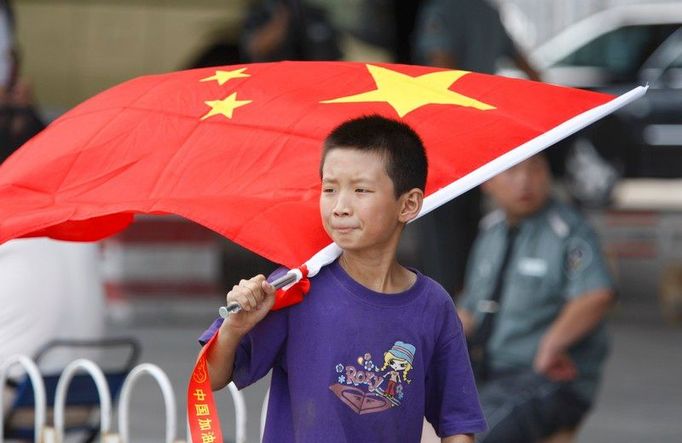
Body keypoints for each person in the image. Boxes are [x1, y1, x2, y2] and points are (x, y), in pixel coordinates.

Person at [199, 115, 486, 442]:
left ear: (408, 204)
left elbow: (457, 423)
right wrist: (234, 328)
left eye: (360, 190)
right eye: (330, 189)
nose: (340, 207)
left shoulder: (433, 306)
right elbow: (209, 377)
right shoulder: (295, 287)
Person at [458, 154, 616, 442]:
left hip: (546, 377)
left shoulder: (568, 231)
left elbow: (596, 294)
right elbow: (470, 308)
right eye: (512, 170)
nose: (525, 181)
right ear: (488, 181)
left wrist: (552, 343)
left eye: (536, 168)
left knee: (473, 435)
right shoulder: (490, 231)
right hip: (488, 371)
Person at [409, 0, 540, 296]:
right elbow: (526, 64)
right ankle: (468, 294)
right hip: (479, 133)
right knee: (469, 217)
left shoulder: (440, 11)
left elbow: (441, 67)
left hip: (444, 133)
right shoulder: (489, 13)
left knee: (437, 221)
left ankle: (439, 300)